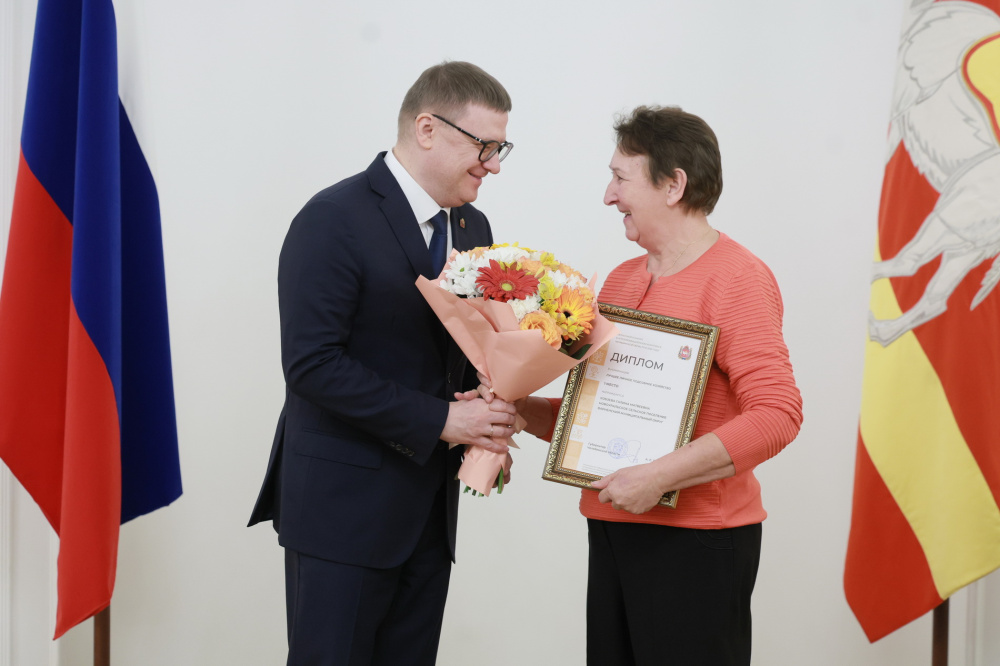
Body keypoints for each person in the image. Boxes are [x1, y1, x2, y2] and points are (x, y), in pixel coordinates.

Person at [505, 105, 803, 665]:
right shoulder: (620, 281)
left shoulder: (738, 278)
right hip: (613, 528)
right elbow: (595, 414)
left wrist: (659, 477)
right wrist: (521, 409)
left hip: (697, 540)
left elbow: (777, 414)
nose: (608, 196)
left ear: (673, 185)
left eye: (620, 178)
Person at [247, 61, 519, 666]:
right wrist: (443, 421)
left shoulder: (473, 227)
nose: (494, 165)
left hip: (429, 514)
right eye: (484, 146)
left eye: (501, 149)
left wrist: (487, 406)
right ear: (427, 129)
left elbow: (462, 349)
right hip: (342, 513)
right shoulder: (333, 217)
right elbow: (313, 365)